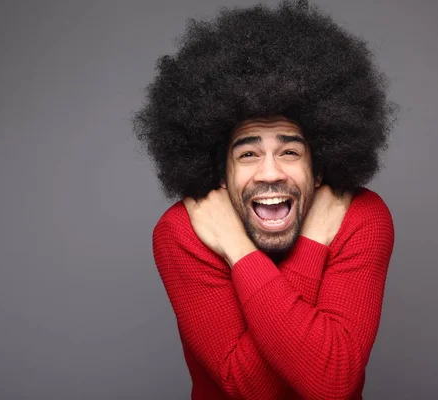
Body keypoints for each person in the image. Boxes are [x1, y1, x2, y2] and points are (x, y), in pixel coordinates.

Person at [133, 1, 397, 398]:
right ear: (221, 172)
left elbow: (333, 381)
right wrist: (250, 248)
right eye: (248, 154)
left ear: (320, 166)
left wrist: (243, 250)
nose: (270, 173)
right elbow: (248, 387)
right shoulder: (185, 231)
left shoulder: (360, 216)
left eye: (290, 152)